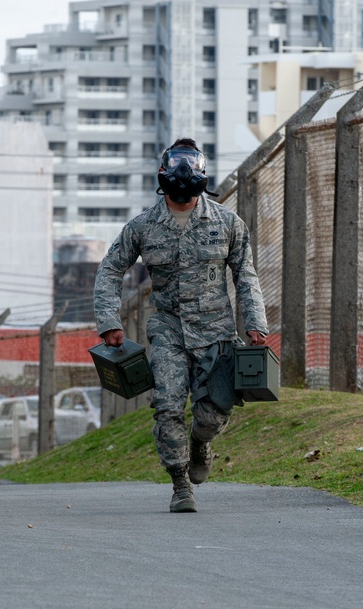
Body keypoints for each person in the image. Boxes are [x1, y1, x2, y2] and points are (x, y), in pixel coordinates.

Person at [93, 138, 268, 513]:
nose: (183, 172)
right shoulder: (143, 227)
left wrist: (256, 324)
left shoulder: (227, 223)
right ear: (164, 173)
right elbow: (110, 270)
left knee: (213, 413)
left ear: (202, 172)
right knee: (168, 405)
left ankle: (200, 443)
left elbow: (246, 275)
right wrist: (109, 320)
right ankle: (180, 484)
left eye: (191, 165)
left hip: (217, 332)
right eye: (177, 165)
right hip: (168, 329)